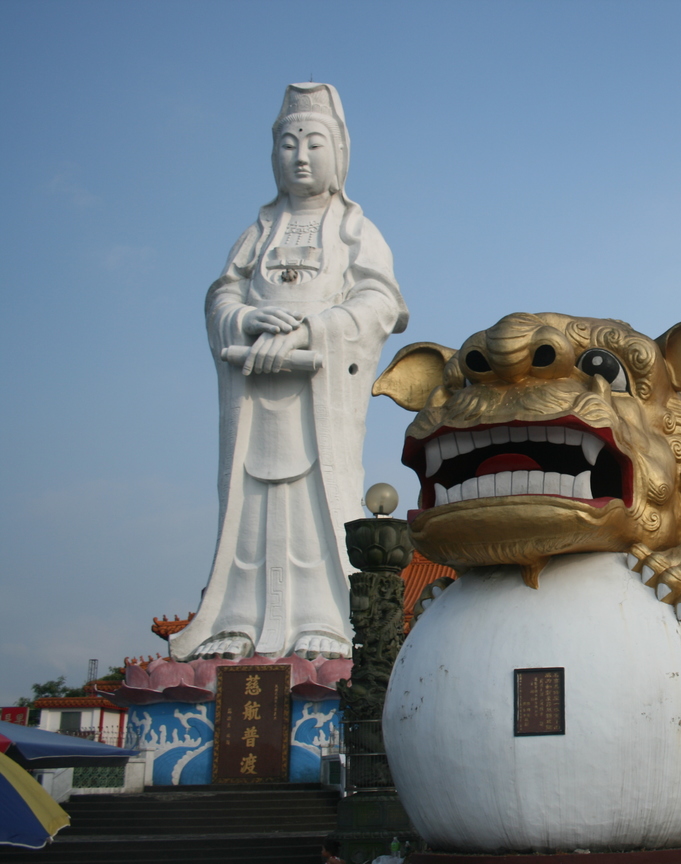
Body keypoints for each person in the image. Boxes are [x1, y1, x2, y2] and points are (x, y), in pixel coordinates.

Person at [170, 83, 409, 662]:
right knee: (249, 505)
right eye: (287, 144)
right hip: (254, 396)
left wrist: (309, 334)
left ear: (339, 155)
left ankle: (323, 616)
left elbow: (381, 306)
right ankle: (237, 618)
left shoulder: (355, 231)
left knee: (317, 500)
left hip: (317, 396)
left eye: (313, 144)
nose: (299, 156)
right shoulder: (256, 234)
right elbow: (220, 299)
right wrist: (248, 321)